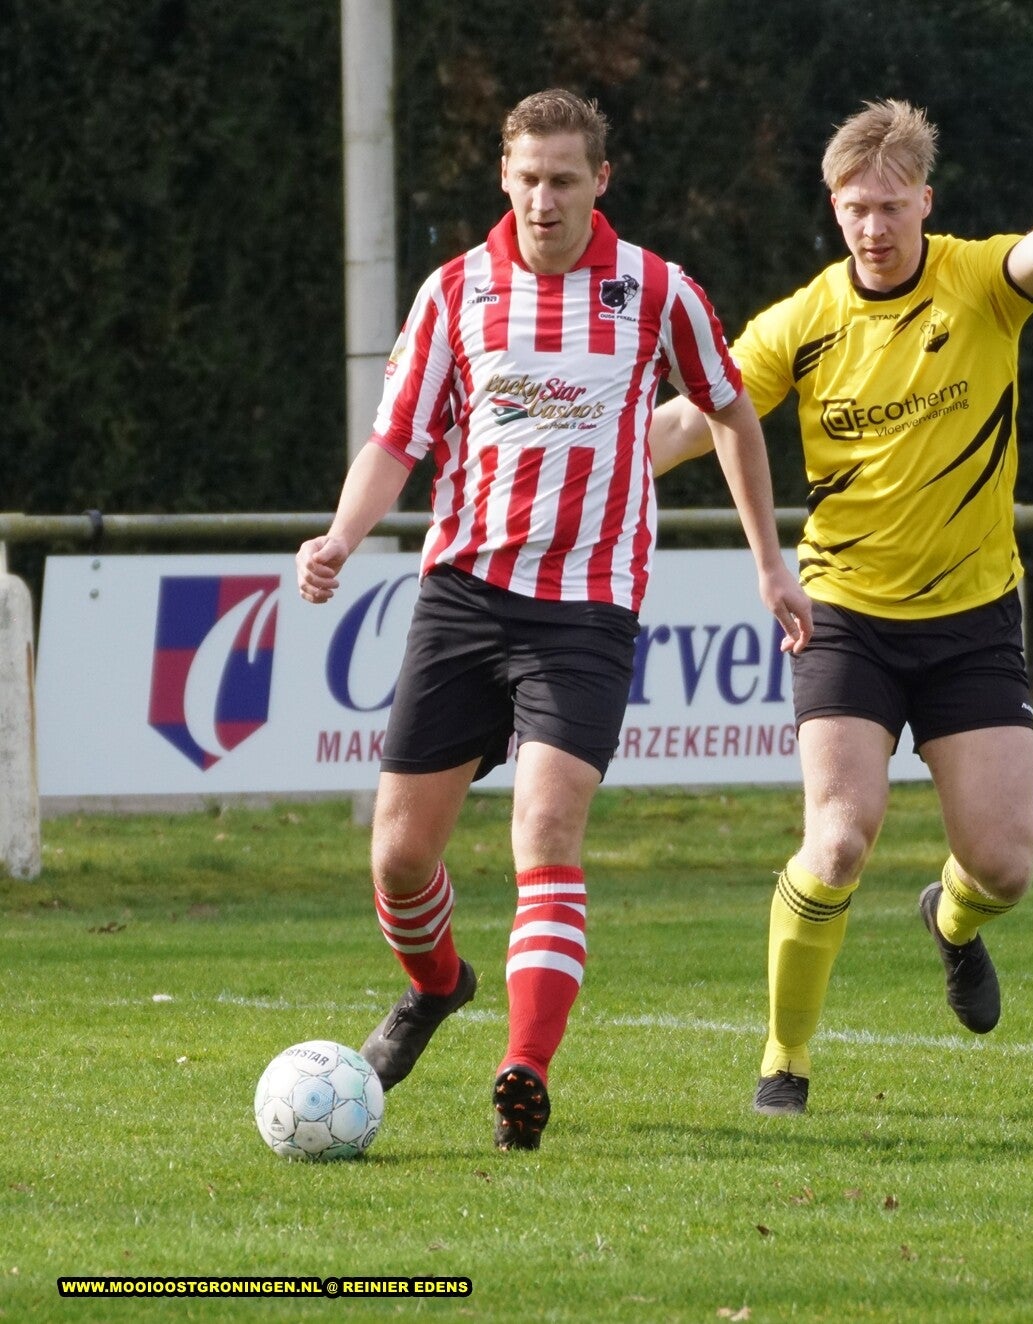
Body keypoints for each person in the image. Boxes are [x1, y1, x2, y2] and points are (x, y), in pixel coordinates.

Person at [295, 89, 811, 1152]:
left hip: (586, 609)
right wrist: (342, 537)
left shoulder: (656, 290)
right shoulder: (454, 292)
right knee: (398, 858)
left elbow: (730, 409)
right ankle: (437, 985)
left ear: (599, 182)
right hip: (464, 596)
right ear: (503, 176)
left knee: (545, 831)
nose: (543, 199)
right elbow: (396, 440)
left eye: (564, 179)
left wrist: (770, 561)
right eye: (527, 178)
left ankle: (523, 1069)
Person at [649, 100, 1033, 1116]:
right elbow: (694, 420)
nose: (873, 227)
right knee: (839, 837)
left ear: (925, 201)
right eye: (855, 208)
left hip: (973, 618)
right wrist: (583, 462)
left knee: (1004, 869)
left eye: (890, 206)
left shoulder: (976, 282)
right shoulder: (801, 322)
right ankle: (785, 1060)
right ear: (833, 208)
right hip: (844, 614)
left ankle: (951, 921)